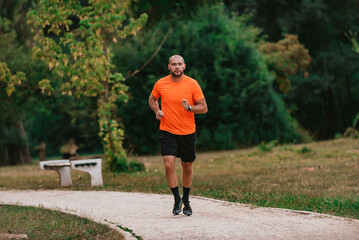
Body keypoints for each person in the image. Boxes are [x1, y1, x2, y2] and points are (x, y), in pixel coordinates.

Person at [148, 55, 208, 216]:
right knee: (168, 164)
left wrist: (189, 107)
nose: (176, 67)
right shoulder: (161, 83)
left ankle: (186, 199)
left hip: (187, 131)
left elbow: (203, 108)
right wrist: (157, 111)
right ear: (169, 67)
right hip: (167, 130)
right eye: (173, 64)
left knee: (187, 166)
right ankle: (176, 199)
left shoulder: (192, 84)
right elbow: (152, 99)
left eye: (179, 64)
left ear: (184, 66)